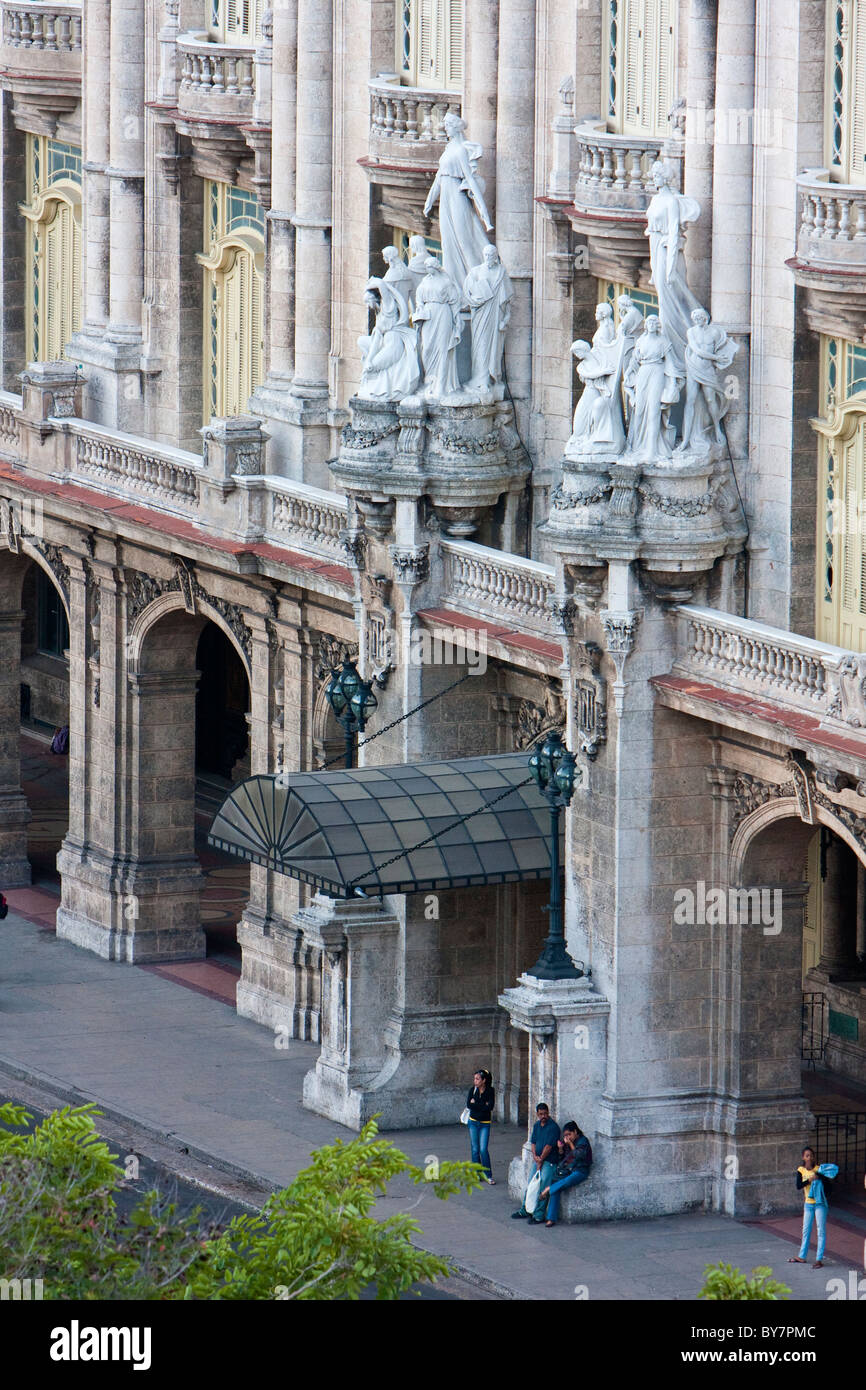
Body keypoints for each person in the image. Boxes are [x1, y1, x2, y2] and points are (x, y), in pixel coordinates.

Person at [423, 112, 493, 286]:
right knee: (447, 241)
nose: (445, 127)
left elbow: (469, 178)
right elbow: (439, 177)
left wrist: (482, 209)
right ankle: (454, 284)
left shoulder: (461, 150)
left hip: (456, 195)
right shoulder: (448, 149)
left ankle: (477, 283)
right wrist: (429, 201)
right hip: (446, 196)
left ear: (455, 126)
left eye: (447, 124)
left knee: (464, 238)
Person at [462, 244, 512, 393]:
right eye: (486, 255)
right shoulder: (476, 271)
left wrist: (506, 319)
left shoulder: (501, 272)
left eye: (491, 255)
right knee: (480, 346)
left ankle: (489, 379)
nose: (488, 257)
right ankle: (478, 379)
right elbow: (467, 292)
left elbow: (507, 299)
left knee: (493, 348)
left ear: (496, 256)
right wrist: (476, 300)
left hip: (496, 315)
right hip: (480, 314)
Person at [413, 256, 464, 400]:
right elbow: (419, 299)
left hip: (443, 314)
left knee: (442, 349)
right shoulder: (425, 281)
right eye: (426, 267)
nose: (427, 269)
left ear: (435, 267)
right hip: (428, 315)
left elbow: (454, 301)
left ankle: (441, 386)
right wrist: (420, 309)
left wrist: (457, 320)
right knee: (427, 348)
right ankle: (429, 382)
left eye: (429, 267)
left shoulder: (446, 282)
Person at [535, 1121, 592, 1227]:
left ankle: (548, 1189)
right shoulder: (568, 1143)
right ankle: (551, 1218)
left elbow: (579, 1156)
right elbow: (563, 1158)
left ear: (575, 1132)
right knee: (557, 1186)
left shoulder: (583, 1141)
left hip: (581, 1170)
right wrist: (561, 1148)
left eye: (569, 1134)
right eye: (566, 1135)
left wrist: (570, 1144)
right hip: (569, 1169)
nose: (567, 1137)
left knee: (567, 1181)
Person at [788, 1145, 835, 1269]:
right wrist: (809, 1180)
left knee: (820, 1230)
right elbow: (798, 1185)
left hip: (820, 1204)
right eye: (807, 1156)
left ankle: (819, 1259)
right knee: (806, 1230)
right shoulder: (801, 1170)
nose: (809, 1158)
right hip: (808, 1203)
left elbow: (829, 1185)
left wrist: (819, 1177)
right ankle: (802, 1256)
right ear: (803, 1157)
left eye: (811, 1156)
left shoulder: (819, 1170)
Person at [512, 1102, 561, 1219]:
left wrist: (540, 1160)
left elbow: (548, 1147)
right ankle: (525, 1209)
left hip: (549, 1161)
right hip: (538, 1159)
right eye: (541, 1114)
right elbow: (533, 1142)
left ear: (548, 1113)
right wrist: (535, 1156)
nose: (543, 1116)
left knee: (544, 1185)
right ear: (537, 1114)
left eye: (545, 1114)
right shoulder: (537, 1126)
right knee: (530, 1184)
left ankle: (538, 1214)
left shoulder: (553, 1127)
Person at [465, 1068, 496, 1185]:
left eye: (477, 1079)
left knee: (483, 1149)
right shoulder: (472, 1090)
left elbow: (490, 1107)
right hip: (473, 1122)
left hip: (485, 1123)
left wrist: (476, 1104)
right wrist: (483, 1105)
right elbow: (469, 1105)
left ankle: (488, 1175)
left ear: (484, 1080)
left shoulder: (490, 1091)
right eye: (474, 1079)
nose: (475, 1081)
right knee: (475, 1149)